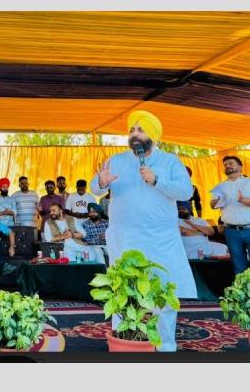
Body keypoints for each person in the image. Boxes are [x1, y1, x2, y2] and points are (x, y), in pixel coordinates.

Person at [91, 109, 197, 352]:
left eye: (140, 130)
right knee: (122, 291)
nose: (134, 134)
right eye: (131, 130)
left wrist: (157, 180)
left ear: (154, 135)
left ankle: (165, 347)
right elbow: (95, 188)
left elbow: (185, 191)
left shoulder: (170, 161)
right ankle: (124, 344)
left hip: (161, 239)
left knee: (163, 291)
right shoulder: (116, 160)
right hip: (124, 237)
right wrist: (101, 183)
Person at [210, 155, 250, 273]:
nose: (228, 166)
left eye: (231, 163)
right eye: (225, 165)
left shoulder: (248, 182)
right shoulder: (220, 187)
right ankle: (240, 285)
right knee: (238, 265)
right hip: (231, 231)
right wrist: (218, 201)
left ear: (240, 167)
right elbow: (212, 204)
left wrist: (242, 200)